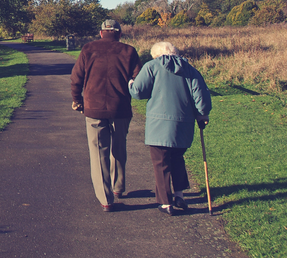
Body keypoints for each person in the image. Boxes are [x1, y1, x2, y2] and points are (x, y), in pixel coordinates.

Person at [129, 41, 212, 216]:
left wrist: (130, 84)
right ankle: (179, 195)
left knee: (161, 162)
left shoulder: (152, 66)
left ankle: (165, 202)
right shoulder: (190, 69)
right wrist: (202, 114)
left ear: (156, 55)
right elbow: (201, 96)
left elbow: (138, 92)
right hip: (184, 124)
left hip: (159, 125)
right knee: (177, 158)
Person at [70, 19, 142, 212]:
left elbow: (76, 77)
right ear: (119, 33)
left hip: (94, 108)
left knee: (98, 152)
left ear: (101, 33)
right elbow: (138, 79)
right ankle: (118, 187)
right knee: (119, 148)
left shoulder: (88, 49)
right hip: (121, 108)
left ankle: (106, 199)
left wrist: (77, 100)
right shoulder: (129, 51)